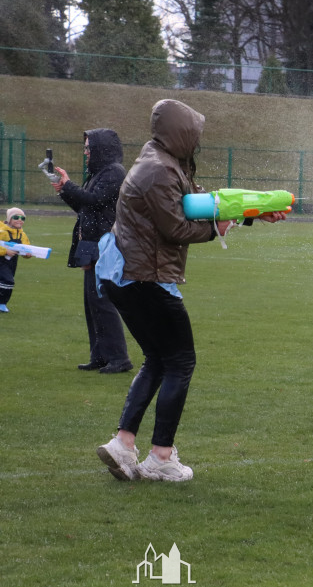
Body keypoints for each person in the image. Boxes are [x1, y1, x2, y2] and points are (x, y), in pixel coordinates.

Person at [94, 99, 285, 483]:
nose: (196, 142)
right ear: (179, 133)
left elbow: (197, 205)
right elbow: (177, 228)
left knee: (158, 359)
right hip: (143, 277)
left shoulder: (160, 160)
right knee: (180, 361)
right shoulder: (159, 170)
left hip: (128, 275)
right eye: (193, 134)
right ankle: (161, 457)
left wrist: (249, 215)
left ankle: (123, 444)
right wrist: (220, 230)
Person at [51, 129, 133, 374]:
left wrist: (69, 185)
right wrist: (64, 190)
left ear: (101, 149)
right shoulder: (99, 173)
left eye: (89, 148)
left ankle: (119, 358)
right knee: (92, 302)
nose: (86, 152)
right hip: (93, 243)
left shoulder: (114, 172)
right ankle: (100, 355)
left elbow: (94, 200)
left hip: (106, 245)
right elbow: (84, 206)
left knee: (102, 301)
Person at [0, 207, 34, 313]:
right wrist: (5, 251)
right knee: (8, 281)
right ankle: (1, 303)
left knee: (6, 281)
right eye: (16, 217)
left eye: (22, 218)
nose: (20, 220)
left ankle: (3, 303)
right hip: (1, 261)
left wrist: (27, 254)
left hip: (12, 263)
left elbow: (25, 246)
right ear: (9, 219)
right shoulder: (2, 231)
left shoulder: (21, 234)